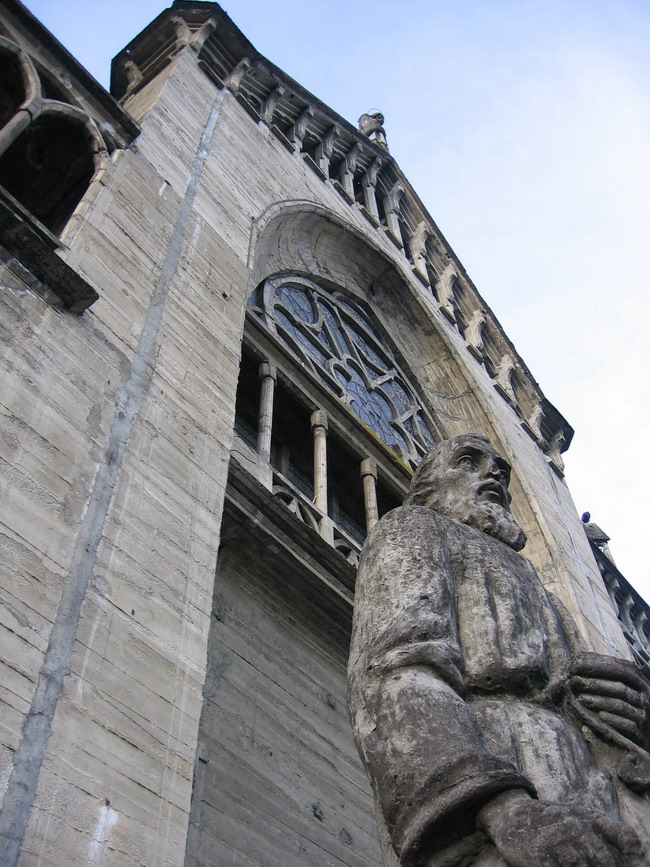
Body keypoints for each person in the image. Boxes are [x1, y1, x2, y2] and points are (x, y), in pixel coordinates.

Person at [348, 434, 649, 866]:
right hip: (498, 777)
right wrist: (504, 810)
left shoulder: (546, 593)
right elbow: (397, 673)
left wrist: (632, 720)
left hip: (591, 789)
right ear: (429, 484)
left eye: (501, 470)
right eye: (469, 460)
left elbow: (583, 703)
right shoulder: (411, 527)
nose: (493, 474)